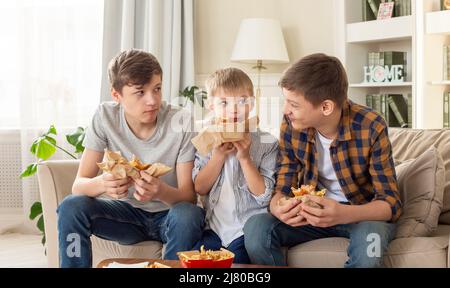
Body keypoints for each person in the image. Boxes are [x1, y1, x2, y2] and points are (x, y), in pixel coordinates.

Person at [243, 53, 402, 268]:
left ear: (326, 107)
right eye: (285, 101)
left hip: (359, 215)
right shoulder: (291, 124)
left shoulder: (371, 126)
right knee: (256, 228)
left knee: (370, 247)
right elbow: (283, 185)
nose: (285, 110)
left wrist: (342, 214)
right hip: (309, 213)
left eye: (294, 104)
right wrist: (277, 206)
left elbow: (390, 204)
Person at [57, 49, 204, 267]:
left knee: (188, 214)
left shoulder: (181, 120)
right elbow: (79, 186)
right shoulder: (105, 117)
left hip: (170, 216)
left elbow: (189, 197)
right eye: (140, 92)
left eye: (157, 89)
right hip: (124, 215)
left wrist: (160, 191)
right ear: (117, 95)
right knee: (71, 206)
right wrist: (103, 184)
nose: (152, 100)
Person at [192, 68, 279, 264]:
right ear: (211, 105)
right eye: (224, 103)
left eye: (242, 101)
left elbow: (264, 196)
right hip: (214, 229)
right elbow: (200, 187)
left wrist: (245, 158)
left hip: (244, 230)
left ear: (252, 103)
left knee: (236, 263)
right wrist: (218, 155)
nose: (234, 109)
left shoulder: (268, 143)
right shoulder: (206, 140)